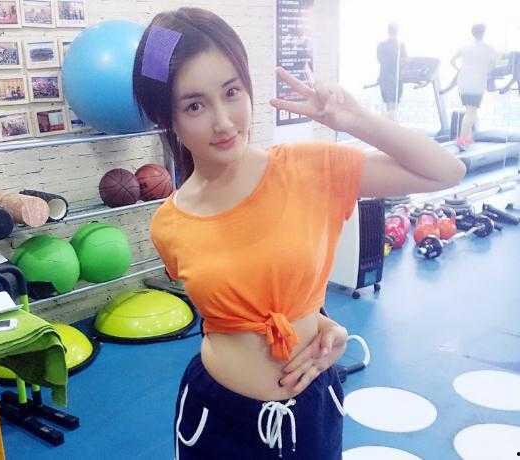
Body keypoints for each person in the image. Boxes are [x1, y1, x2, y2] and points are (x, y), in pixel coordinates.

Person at [133, 8, 466, 459]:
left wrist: (355, 119)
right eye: (195, 105)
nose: (224, 121)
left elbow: (445, 170)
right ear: (167, 118)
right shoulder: (169, 224)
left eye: (231, 92)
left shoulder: (308, 169)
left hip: (308, 412)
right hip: (214, 418)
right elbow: (232, 312)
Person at [450, 23, 498, 150]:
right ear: (483, 33)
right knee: (471, 112)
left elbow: (452, 61)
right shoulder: (488, 48)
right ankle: (461, 140)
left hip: (463, 81)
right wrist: (486, 71)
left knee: (471, 110)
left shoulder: (465, 46)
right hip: (477, 82)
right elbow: (493, 64)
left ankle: (468, 138)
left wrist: (461, 70)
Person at [376, 22, 407, 121]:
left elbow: (380, 59)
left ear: (388, 31)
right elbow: (404, 61)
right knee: (392, 105)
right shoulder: (400, 45)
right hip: (393, 79)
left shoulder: (382, 45)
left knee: (389, 105)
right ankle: (391, 122)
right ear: (397, 31)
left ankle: (390, 122)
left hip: (387, 79)